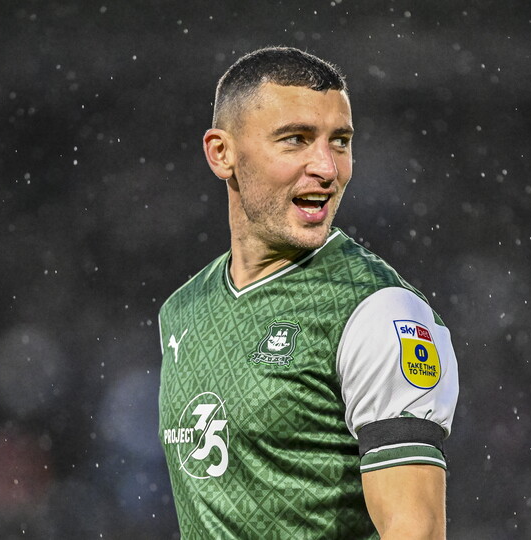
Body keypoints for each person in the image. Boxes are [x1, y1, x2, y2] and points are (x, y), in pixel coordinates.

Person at [157, 46, 459, 539]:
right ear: (221, 153)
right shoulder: (183, 310)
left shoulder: (380, 311)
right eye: (296, 139)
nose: (327, 167)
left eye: (340, 141)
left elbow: (416, 530)